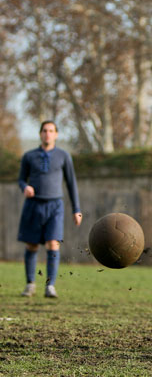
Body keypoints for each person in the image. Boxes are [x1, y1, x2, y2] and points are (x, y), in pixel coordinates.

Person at [18, 120, 82, 298]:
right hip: (33, 205)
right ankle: (30, 283)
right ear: (40, 134)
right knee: (31, 245)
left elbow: (71, 184)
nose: (48, 134)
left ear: (56, 134)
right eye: (45, 131)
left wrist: (76, 209)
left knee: (53, 243)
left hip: (55, 205)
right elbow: (21, 179)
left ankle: (50, 286)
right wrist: (25, 187)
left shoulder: (63, 156)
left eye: (51, 131)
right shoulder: (29, 156)